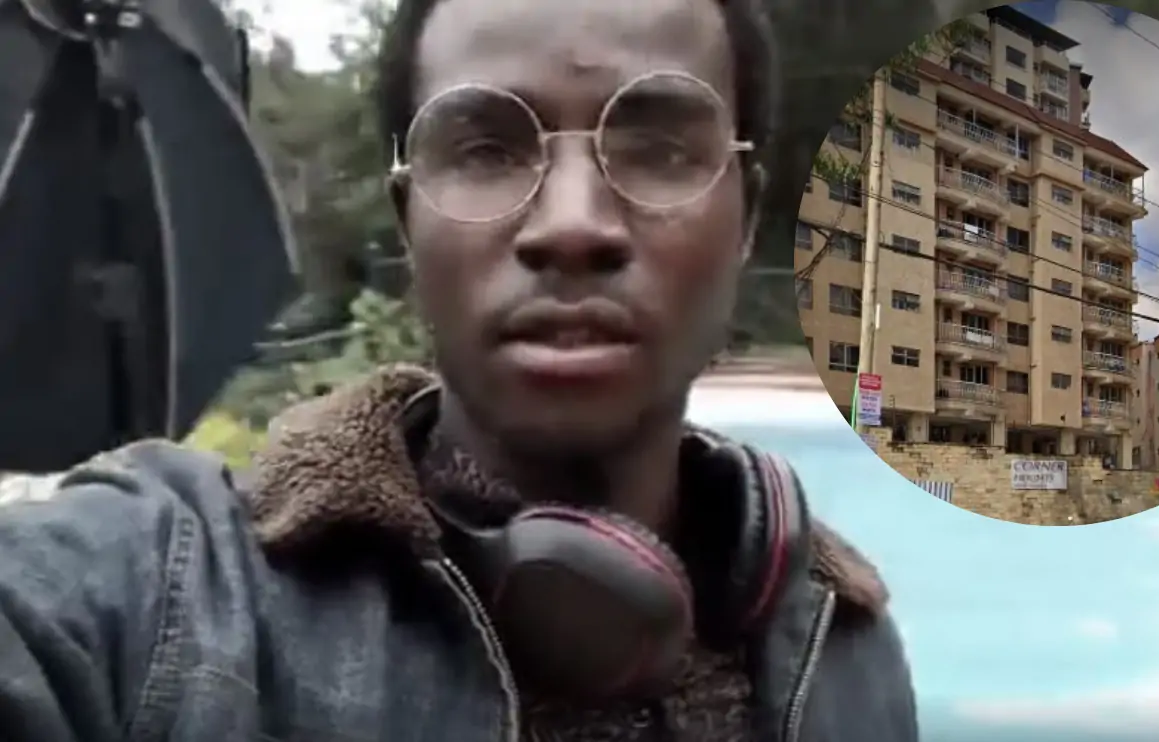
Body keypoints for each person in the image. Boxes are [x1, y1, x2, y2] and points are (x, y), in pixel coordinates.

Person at [0, 0, 918, 739]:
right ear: (409, 220)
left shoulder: (845, 649)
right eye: (486, 150)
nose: (572, 224)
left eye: (659, 150)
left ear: (747, 217)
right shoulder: (155, 596)